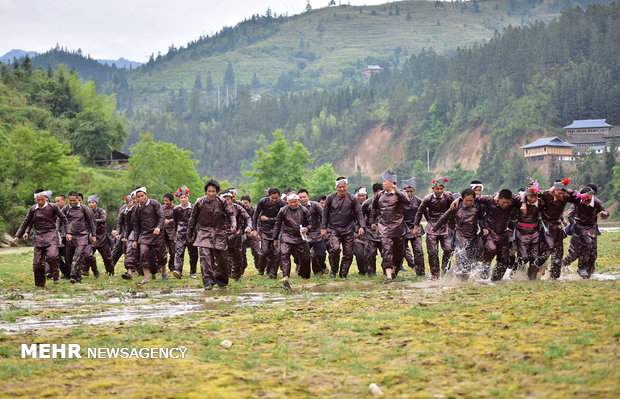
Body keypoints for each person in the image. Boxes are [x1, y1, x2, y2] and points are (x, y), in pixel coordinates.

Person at [14, 189, 69, 286]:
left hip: (51, 234)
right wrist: (17, 236)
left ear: (45, 198)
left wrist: (68, 232)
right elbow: (26, 222)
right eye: (38, 200)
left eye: (42, 200)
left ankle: (55, 275)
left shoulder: (53, 207)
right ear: (35, 199)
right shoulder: (33, 209)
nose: (40, 202)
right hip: (38, 237)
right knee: (37, 263)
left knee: (52, 256)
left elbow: (64, 219)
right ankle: (40, 283)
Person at [187, 179, 236, 290]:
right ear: (206, 192)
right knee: (205, 258)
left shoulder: (222, 202)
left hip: (219, 232)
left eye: (213, 191)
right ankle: (208, 282)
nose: (211, 193)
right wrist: (190, 233)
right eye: (209, 191)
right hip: (204, 232)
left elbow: (231, 214)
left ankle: (221, 281)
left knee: (222, 259)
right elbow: (193, 219)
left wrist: (233, 224)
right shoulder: (200, 202)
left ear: (217, 192)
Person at [369, 170, 409, 282]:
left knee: (399, 252)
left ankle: (395, 270)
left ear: (392, 182)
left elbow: (408, 202)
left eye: (385, 181)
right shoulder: (380, 195)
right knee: (386, 250)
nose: (383, 183)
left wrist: (397, 191)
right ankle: (388, 275)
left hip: (398, 228)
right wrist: (373, 221)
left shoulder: (400, 194)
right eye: (383, 181)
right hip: (384, 227)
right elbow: (373, 208)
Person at [321, 176, 365, 278]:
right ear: (336, 187)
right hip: (334, 229)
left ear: (347, 186)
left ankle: (343, 274)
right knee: (335, 249)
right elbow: (325, 213)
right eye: (339, 187)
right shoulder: (330, 198)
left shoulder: (352, 198)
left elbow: (359, 213)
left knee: (348, 253)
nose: (342, 189)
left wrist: (361, 227)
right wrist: (324, 227)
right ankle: (334, 269)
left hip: (349, 229)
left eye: (343, 187)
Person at [533, 179, 577, 279]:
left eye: (563, 193)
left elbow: (577, 198)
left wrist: (567, 189)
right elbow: (531, 194)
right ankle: (534, 269)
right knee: (548, 248)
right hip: (545, 225)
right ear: (554, 190)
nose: (562, 195)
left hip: (557, 225)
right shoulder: (547, 194)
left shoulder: (565, 197)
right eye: (560, 193)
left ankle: (554, 276)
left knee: (558, 251)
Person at [433, 188, 481, 280]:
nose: (469, 202)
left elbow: (482, 218)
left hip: (473, 233)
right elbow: (445, 217)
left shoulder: (477, 206)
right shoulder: (456, 205)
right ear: (462, 198)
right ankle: (459, 277)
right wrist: (435, 227)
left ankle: (468, 275)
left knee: (471, 255)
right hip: (460, 233)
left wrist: (483, 228)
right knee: (461, 254)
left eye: (471, 200)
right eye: (467, 200)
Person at [562, 187, 609, 278]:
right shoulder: (577, 200)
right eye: (584, 200)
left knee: (593, 253)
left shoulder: (597, 202)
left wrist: (605, 214)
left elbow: (605, 211)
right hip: (579, 226)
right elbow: (570, 215)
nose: (585, 202)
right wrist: (573, 225)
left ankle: (589, 274)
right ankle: (563, 266)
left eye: (587, 200)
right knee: (575, 253)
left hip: (592, 227)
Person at [414, 176, 454, 279]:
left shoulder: (448, 197)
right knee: (432, 252)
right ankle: (435, 273)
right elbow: (419, 211)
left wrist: (454, 226)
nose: (440, 191)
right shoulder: (428, 198)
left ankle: (445, 270)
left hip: (445, 227)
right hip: (432, 227)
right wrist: (416, 226)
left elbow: (455, 209)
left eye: (442, 188)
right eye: (437, 189)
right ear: (433, 189)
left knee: (449, 249)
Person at [274, 192, 312, 288]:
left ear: (298, 201)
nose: (293, 204)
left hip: (300, 236)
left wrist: (307, 229)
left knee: (306, 256)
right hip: (287, 235)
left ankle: (305, 276)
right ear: (287, 202)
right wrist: (275, 238)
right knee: (285, 254)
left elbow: (310, 224)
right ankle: (285, 276)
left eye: (295, 202)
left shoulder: (304, 210)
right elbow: (277, 224)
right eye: (291, 202)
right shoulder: (283, 211)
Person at [132, 187, 168, 284]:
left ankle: (164, 270)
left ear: (146, 195)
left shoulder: (155, 203)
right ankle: (146, 278)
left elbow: (161, 216)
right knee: (143, 253)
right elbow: (136, 226)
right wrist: (135, 240)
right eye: (138, 197)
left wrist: (158, 227)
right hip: (144, 235)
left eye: (142, 196)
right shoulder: (137, 210)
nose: (140, 198)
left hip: (157, 234)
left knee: (161, 255)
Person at [63, 191, 97, 283]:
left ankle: (73, 276)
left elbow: (91, 222)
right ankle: (78, 278)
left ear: (78, 199)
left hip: (82, 235)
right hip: (70, 236)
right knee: (69, 258)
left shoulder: (84, 208)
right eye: (70, 200)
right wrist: (63, 232)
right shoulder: (66, 209)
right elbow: (60, 220)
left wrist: (93, 235)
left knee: (77, 256)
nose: (72, 202)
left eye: (74, 200)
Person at [252, 187, 286, 278]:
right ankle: (261, 267)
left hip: (277, 229)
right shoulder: (262, 201)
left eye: (276, 198)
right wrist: (254, 229)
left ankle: (273, 272)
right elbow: (255, 215)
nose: (274, 200)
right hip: (264, 230)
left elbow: (282, 219)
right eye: (272, 198)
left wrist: (268, 219)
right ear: (268, 196)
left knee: (277, 252)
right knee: (264, 251)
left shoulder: (282, 203)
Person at [514, 182, 544, 279]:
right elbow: (511, 196)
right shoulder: (519, 201)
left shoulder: (540, 202)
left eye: (535, 196)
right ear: (526, 195)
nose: (533, 199)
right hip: (521, 232)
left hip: (535, 232)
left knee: (534, 257)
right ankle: (515, 270)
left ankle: (532, 278)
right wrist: (523, 201)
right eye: (531, 197)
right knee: (523, 257)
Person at [222, 191, 252, 281]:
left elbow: (247, 218)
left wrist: (249, 226)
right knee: (223, 255)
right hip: (222, 234)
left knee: (237, 255)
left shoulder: (238, 208)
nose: (226, 202)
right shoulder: (218, 208)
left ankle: (237, 275)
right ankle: (226, 274)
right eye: (224, 200)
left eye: (228, 200)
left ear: (231, 200)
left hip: (236, 234)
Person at [399, 178, 426, 276]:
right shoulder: (399, 201)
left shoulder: (418, 200)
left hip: (415, 227)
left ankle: (420, 271)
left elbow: (425, 213)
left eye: (411, 191)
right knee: (400, 251)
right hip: (402, 228)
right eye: (407, 191)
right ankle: (395, 270)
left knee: (418, 250)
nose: (409, 193)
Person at [298, 189, 328, 275]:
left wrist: (323, 228)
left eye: (304, 197)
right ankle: (303, 273)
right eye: (301, 197)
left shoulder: (315, 205)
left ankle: (323, 265)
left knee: (321, 254)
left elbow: (323, 216)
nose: (303, 199)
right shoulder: (297, 208)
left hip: (317, 233)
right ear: (298, 199)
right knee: (304, 256)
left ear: (308, 197)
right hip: (304, 235)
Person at [172, 186, 199, 279]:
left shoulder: (194, 208)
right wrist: (176, 232)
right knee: (179, 252)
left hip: (192, 233)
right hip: (180, 234)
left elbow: (197, 221)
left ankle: (193, 272)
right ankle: (178, 271)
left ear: (188, 197)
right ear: (179, 198)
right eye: (181, 197)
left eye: (185, 197)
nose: (183, 199)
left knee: (193, 253)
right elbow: (175, 222)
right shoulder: (176, 209)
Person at [87, 194, 115, 276]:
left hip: (101, 236)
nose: (91, 204)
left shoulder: (101, 211)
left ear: (97, 203)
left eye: (93, 202)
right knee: (88, 256)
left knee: (107, 257)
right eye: (89, 203)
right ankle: (93, 271)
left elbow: (103, 219)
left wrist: (92, 220)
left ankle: (110, 271)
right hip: (91, 236)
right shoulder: (87, 211)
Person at [362, 183, 383, 276]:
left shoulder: (388, 202)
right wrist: (361, 227)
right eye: (377, 193)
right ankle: (371, 273)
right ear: (373, 193)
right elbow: (360, 216)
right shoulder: (367, 203)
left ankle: (388, 272)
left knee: (387, 253)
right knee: (370, 254)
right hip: (370, 231)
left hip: (384, 231)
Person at [240, 195, 261, 272]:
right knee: (241, 252)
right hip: (242, 233)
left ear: (250, 202)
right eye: (243, 203)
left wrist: (256, 231)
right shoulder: (240, 211)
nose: (244, 205)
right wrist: (243, 233)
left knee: (257, 252)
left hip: (253, 233)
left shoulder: (255, 211)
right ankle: (242, 268)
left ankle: (259, 267)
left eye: (246, 203)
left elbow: (258, 222)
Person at [54, 194, 70, 279]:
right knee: (56, 255)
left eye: (58, 201)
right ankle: (64, 271)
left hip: (66, 235)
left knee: (67, 256)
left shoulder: (68, 210)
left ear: (64, 201)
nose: (56, 203)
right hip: (56, 236)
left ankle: (68, 273)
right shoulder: (53, 210)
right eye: (55, 201)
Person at [353, 187, 368, 275]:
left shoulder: (370, 204)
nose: (361, 198)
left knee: (370, 253)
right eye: (359, 196)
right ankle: (362, 271)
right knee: (359, 252)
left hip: (369, 233)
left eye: (363, 196)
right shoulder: (352, 207)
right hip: (356, 233)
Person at [162, 193, 177, 276]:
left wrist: (170, 221)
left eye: (166, 201)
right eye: (164, 201)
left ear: (171, 201)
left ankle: (172, 267)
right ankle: (160, 267)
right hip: (163, 232)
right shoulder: (161, 208)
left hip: (172, 232)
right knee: (162, 251)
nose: (165, 202)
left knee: (173, 251)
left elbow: (178, 218)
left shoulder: (176, 208)